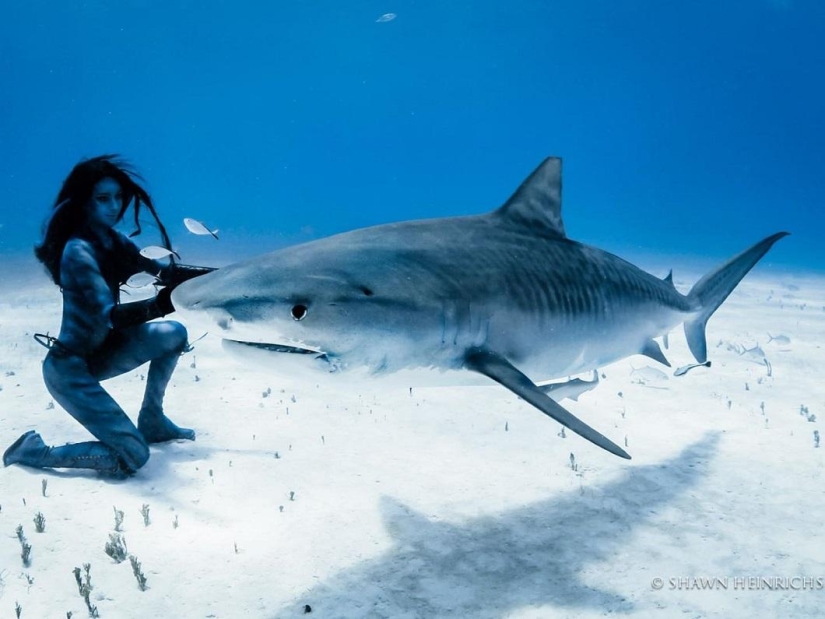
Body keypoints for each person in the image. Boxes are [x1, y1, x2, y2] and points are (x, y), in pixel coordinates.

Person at [3, 155, 214, 477]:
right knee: (132, 456)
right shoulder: (77, 252)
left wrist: (224, 279)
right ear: (83, 202)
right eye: (103, 198)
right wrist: (166, 302)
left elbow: (164, 272)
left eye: (118, 197)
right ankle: (34, 451)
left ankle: (153, 419)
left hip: (106, 351)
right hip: (70, 368)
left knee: (173, 332)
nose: (114, 206)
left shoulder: (111, 240)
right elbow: (109, 316)